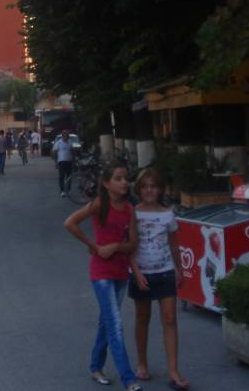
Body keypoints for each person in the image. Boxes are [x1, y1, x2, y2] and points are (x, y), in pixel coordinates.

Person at [63, 164, 143, 391]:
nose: (124, 182)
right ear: (107, 184)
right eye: (118, 178)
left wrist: (115, 246)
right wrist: (93, 246)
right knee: (115, 324)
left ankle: (96, 367)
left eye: (125, 178)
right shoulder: (100, 204)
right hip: (101, 273)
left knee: (106, 322)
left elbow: (133, 244)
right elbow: (69, 222)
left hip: (120, 272)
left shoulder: (129, 209)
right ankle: (129, 379)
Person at [129, 168, 190, 390]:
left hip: (165, 271)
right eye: (145, 186)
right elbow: (129, 246)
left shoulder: (168, 214)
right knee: (142, 318)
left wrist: (180, 268)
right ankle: (142, 362)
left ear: (160, 189)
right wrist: (136, 272)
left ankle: (173, 371)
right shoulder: (133, 213)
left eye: (153, 186)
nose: (149, 190)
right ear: (138, 189)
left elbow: (174, 243)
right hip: (141, 273)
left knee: (170, 319)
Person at [53, 129, 75, 197]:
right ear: (62, 136)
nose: (67, 138)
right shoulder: (58, 143)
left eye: (67, 136)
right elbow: (55, 153)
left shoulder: (70, 142)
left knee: (69, 177)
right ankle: (62, 190)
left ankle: (68, 189)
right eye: (65, 136)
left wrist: (73, 161)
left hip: (69, 161)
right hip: (61, 162)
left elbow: (72, 152)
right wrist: (56, 162)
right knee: (61, 176)